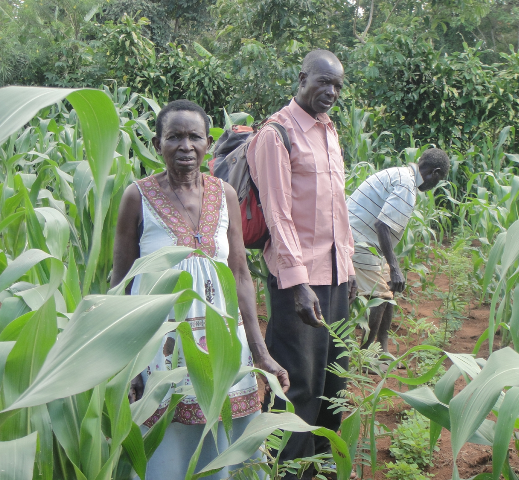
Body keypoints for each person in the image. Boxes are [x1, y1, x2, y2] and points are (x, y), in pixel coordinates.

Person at [111, 99, 289, 480]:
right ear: (157, 143)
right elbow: (120, 283)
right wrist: (126, 365)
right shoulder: (136, 197)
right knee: (167, 448)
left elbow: (240, 274)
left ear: (208, 142)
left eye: (194, 136)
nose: (185, 146)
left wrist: (260, 352)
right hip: (162, 352)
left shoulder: (224, 194)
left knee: (225, 442)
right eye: (174, 137)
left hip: (225, 347)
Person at [246, 50, 358, 479]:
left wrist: (345, 268)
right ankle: (287, 471)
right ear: (302, 78)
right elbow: (278, 214)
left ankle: (321, 467)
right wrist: (296, 283)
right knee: (299, 384)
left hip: (333, 276)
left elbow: (337, 210)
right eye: (323, 82)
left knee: (334, 381)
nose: (330, 92)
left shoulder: (329, 132)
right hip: (298, 281)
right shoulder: (276, 134)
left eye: (337, 86)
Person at [347, 148, 450, 359]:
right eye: (439, 180)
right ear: (435, 173)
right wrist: (394, 267)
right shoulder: (406, 186)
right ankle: (365, 356)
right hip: (355, 240)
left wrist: (391, 266)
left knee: (389, 292)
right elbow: (382, 225)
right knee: (380, 296)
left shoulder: (404, 177)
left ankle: (382, 351)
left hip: (367, 241)